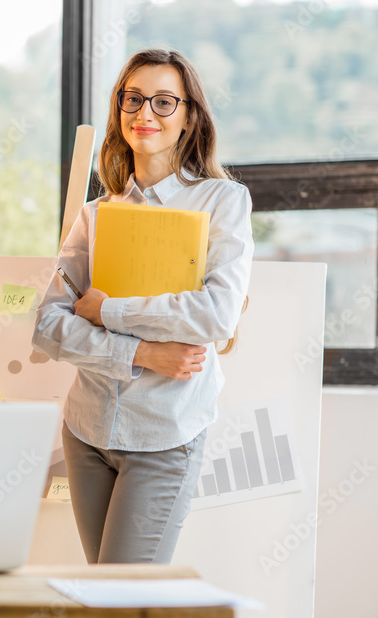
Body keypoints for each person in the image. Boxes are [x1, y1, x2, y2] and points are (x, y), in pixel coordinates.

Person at [32, 49, 253, 564]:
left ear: (188, 117)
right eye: (132, 99)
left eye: (162, 101)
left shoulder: (222, 202)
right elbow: (47, 325)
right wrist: (143, 354)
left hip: (163, 434)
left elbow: (216, 315)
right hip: (86, 431)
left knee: (126, 604)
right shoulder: (95, 214)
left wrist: (108, 311)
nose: (144, 113)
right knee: (107, 603)